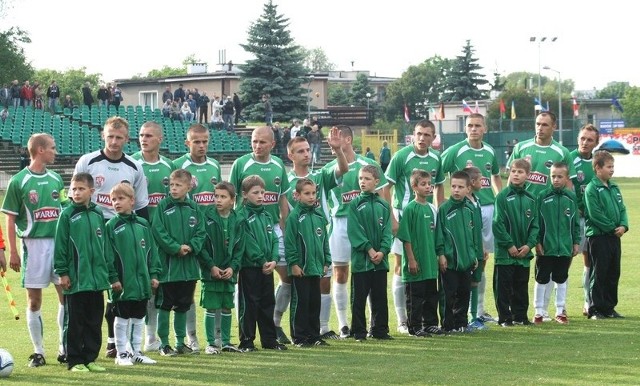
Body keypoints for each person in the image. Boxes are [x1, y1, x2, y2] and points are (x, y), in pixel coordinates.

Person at [74, 116, 150, 358]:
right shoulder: (88, 161)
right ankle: (95, 342)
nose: (114, 141)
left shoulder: (135, 167)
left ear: (127, 139)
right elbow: (74, 198)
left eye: (119, 137)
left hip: (124, 236)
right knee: (98, 288)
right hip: (94, 232)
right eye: (110, 136)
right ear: (103, 136)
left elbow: (141, 208)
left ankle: (120, 344)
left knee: (121, 288)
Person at [1, 133, 68, 367]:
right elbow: (9, 220)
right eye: (52, 147)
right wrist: (13, 252)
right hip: (33, 245)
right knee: (34, 301)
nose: (55, 151)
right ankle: (38, 351)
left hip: (58, 244)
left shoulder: (56, 178)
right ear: (40, 150)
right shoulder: (18, 181)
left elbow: (65, 208)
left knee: (65, 296)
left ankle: (64, 347)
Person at [507, 111, 576, 322]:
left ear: (553, 127)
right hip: (522, 213)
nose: (540, 128)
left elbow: (570, 184)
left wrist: (572, 208)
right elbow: (512, 176)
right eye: (537, 124)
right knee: (518, 262)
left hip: (549, 216)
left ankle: (551, 310)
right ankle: (520, 310)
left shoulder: (561, 151)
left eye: (545, 125)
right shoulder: (521, 148)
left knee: (550, 260)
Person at [229, 126, 291, 345]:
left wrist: (284, 228)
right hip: (247, 230)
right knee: (248, 293)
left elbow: (283, 199)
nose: (257, 146)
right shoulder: (241, 164)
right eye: (254, 141)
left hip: (270, 229)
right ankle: (246, 339)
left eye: (262, 142)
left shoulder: (277, 165)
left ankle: (270, 337)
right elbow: (232, 197)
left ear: (272, 144)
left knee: (268, 292)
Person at [325, 125, 387, 339]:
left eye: (336, 138)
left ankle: (373, 323)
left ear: (348, 140)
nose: (332, 142)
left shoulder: (368, 165)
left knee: (370, 272)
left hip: (368, 222)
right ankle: (343, 324)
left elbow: (382, 195)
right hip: (341, 223)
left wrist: (389, 221)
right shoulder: (331, 168)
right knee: (340, 273)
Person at [383, 119, 444, 334]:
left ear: (433, 137)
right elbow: (385, 187)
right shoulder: (402, 156)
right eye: (419, 133)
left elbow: (439, 188)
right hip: (404, 215)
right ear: (413, 135)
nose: (422, 138)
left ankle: (428, 321)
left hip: (426, 216)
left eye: (427, 134)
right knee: (402, 267)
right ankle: (403, 320)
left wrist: (440, 214)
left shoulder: (436, 158)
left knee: (427, 266)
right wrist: (392, 218)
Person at [286, 130, 348, 339]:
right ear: (291, 156)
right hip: (299, 242)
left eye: (307, 150)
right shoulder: (287, 182)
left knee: (321, 284)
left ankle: (320, 329)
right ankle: (291, 330)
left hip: (321, 236)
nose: (306, 154)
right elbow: (285, 214)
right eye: (300, 151)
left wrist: (338, 150)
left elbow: (343, 169)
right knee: (298, 291)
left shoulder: (319, 176)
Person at [440, 113, 502, 324]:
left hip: (485, 209)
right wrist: (440, 203)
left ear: (484, 128)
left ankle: (479, 310)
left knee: (482, 258)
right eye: (470, 126)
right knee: (463, 258)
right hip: (461, 210)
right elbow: (439, 175)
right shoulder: (456, 150)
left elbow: (495, 175)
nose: (473, 129)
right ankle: (463, 313)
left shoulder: (490, 151)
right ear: (465, 129)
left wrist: (498, 199)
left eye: (477, 125)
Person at [53, 173, 113, 372]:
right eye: (74, 189)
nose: (76, 192)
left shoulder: (97, 214)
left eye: (81, 189)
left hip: (97, 280)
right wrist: (63, 273)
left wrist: (108, 274)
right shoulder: (67, 215)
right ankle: (74, 360)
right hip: (77, 279)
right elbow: (60, 246)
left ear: (91, 191)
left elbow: (104, 246)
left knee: (94, 320)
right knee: (75, 322)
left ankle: (90, 358)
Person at [152, 169, 213, 356]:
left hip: (189, 269)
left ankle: (180, 342)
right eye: (172, 185)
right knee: (165, 305)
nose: (174, 189)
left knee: (183, 305)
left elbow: (201, 232)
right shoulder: (162, 206)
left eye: (178, 185)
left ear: (188, 187)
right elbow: (158, 231)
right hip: (169, 269)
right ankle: (164, 344)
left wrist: (192, 246)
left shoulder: (194, 208)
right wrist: (175, 247)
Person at [173, 123, 222, 351]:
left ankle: (218, 338)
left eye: (205, 141)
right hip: (189, 238)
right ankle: (190, 337)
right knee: (188, 289)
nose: (201, 146)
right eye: (197, 142)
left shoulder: (214, 165)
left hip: (211, 234)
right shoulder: (179, 166)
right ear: (187, 143)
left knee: (216, 285)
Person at [104, 183, 161, 366]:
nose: (116, 203)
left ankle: (136, 351)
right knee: (122, 317)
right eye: (113, 200)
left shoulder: (143, 225)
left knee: (138, 316)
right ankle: (122, 353)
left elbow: (152, 253)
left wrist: (153, 274)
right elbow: (107, 256)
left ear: (132, 201)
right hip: (123, 283)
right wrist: (113, 278)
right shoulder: (111, 226)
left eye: (121, 199)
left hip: (142, 282)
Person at [131, 121, 175, 352]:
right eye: (140, 135)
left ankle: (154, 336)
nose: (143, 139)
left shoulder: (170, 165)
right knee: (142, 286)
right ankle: (140, 337)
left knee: (162, 286)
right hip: (140, 235)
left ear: (160, 139)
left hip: (165, 237)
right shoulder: (132, 163)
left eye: (148, 135)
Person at [236, 175, 287, 352]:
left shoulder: (266, 215)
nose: (260, 196)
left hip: (267, 267)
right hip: (250, 267)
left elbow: (273, 238)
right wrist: (262, 260)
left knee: (267, 303)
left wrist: (273, 259)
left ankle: (269, 340)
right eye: (255, 192)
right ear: (244, 194)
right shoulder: (241, 216)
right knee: (250, 304)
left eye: (262, 192)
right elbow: (247, 242)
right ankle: (247, 341)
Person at [347, 165, 393, 341]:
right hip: (361, 261)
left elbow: (387, 232)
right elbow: (354, 231)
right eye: (360, 178)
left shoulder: (383, 205)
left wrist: (382, 251)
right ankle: (359, 331)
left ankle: (380, 329)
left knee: (380, 297)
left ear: (376, 181)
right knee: (359, 298)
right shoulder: (355, 204)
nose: (362, 182)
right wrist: (369, 249)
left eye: (366, 179)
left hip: (380, 261)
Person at [285, 178, 332, 347]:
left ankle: (314, 335)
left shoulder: (319, 216)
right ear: (297, 196)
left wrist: (327, 260)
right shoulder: (294, 217)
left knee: (314, 303)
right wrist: (294, 263)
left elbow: (324, 240)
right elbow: (289, 243)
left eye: (313, 193)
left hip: (316, 267)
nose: (311, 197)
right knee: (301, 303)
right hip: (301, 269)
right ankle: (299, 337)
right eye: (307, 193)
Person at [492, 158, 539, 327]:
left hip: (523, 253)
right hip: (505, 254)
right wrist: (509, 245)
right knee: (503, 287)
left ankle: (520, 316)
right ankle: (505, 318)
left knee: (521, 286)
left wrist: (529, 245)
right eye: (513, 171)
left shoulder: (532, 199)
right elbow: (498, 224)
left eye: (520, 172)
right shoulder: (502, 197)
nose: (516, 175)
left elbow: (535, 225)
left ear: (528, 175)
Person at [533, 162, 580, 325]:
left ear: (567, 179)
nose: (556, 179)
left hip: (565, 248)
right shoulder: (542, 196)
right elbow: (536, 222)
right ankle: (538, 311)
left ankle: (560, 311)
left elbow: (575, 223)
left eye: (560, 176)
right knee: (541, 279)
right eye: (553, 176)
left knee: (561, 279)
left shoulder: (571, 197)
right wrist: (537, 242)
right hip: (547, 248)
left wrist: (576, 242)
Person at [200, 182, 244, 354]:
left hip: (229, 272)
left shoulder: (238, 219)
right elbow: (201, 245)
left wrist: (233, 268)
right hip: (211, 272)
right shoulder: (206, 216)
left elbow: (240, 248)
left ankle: (225, 342)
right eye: (216, 196)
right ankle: (211, 343)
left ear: (233, 200)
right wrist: (211, 266)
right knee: (211, 306)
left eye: (223, 197)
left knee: (226, 306)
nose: (218, 200)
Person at [584, 150, 628, 319]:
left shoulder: (614, 187)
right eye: (609, 167)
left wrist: (623, 225)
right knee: (599, 272)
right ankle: (595, 309)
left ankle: (609, 307)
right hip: (599, 236)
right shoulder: (592, 188)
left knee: (613, 272)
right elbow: (595, 214)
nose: (612, 170)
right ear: (597, 168)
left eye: (613, 166)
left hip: (614, 236)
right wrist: (612, 228)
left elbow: (622, 209)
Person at [396, 170, 439, 337]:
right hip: (416, 263)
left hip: (430, 263)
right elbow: (405, 237)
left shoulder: (432, 208)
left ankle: (430, 324)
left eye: (429, 184)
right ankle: (414, 326)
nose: (428, 187)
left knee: (430, 295)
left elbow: (436, 236)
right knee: (415, 297)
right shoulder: (410, 209)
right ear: (414, 187)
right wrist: (411, 259)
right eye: (423, 184)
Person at [435, 171, 478, 333]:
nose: (456, 190)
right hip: (450, 261)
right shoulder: (444, 209)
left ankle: (461, 323)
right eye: (453, 186)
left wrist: (474, 255)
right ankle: (447, 325)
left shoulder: (470, 209)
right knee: (448, 294)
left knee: (464, 292)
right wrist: (441, 254)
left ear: (468, 189)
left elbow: (474, 234)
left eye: (460, 187)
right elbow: (439, 234)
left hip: (467, 260)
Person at [569, 124, 599, 316]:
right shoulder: (569, 158)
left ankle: (588, 303)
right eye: (583, 138)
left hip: (591, 220)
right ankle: (559, 307)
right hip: (571, 218)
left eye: (590, 140)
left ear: (596, 142)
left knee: (589, 262)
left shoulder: (598, 162)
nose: (585, 142)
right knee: (564, 260)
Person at [462, 166, 489, 331]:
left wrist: (483, 246)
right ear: (472, 182)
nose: (483, 183)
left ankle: (475, 316)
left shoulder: (476, 200)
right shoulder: (464, 204)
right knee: (467, 283)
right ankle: (466, 317)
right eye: (480, 180)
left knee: (475, 281)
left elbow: (478, 229)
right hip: (468, 250)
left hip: (478, 248)